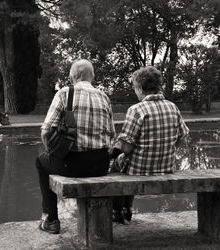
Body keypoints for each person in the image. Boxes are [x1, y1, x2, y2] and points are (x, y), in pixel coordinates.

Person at [36, 59, 115, 234]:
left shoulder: (65, 93)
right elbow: (111, 135)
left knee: (41, 162)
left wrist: (53, 152)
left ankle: (51, 219)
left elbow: (46, 131)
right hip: (101, 165)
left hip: (72, 164)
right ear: (92, 76)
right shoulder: (104, 96)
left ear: (72, 76)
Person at [109, 66, 189, 224]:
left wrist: (117, 148)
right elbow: (183, 137)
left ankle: (116, 210)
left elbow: (127, 148)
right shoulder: (173, 107)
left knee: (117, 166)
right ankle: (127, 209)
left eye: (134, 87)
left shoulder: (136, 110)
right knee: (125, 164)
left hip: (139, 169)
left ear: (139, 88)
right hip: (167, 168)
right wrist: (167, 149)